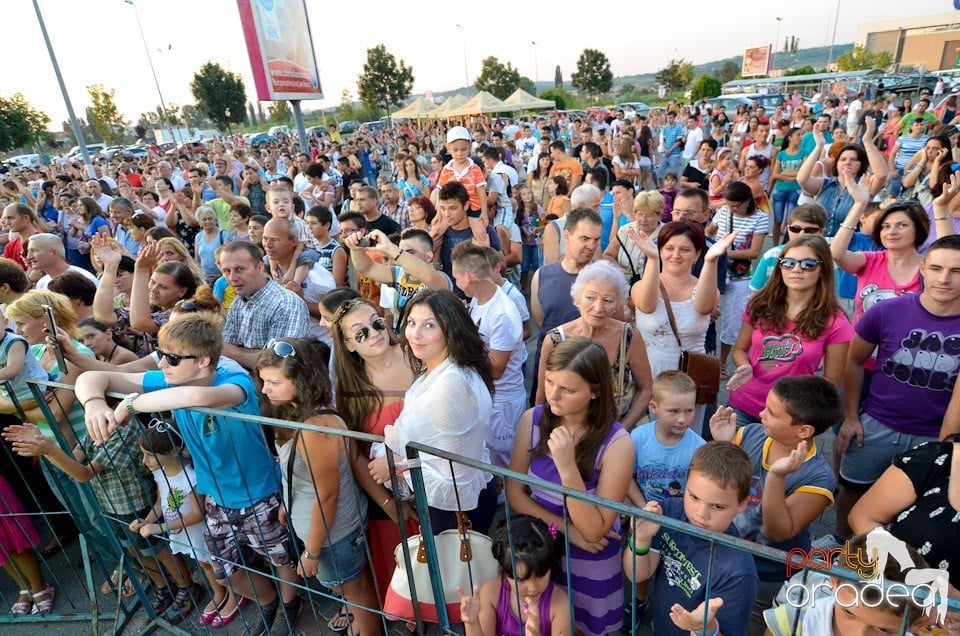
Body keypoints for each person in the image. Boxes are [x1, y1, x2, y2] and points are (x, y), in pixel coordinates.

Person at [75, 313, 302, 634]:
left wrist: (129, 404)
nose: (162, 363)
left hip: (259, 494)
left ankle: (289, 604)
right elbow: (93, 378)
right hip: (215, 496)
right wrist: (94, 403)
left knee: (279, 558)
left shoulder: (234, 381)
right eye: (161, 354)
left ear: (203, 360)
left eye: (171, 357)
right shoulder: (173, 378)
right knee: (224, 570)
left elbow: (196, 398)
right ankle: (268, 601)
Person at [826, 235, 960, 551]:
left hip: (934, 436)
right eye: (937, 268)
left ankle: (889, 559)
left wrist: (946, 447)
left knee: (912, 507)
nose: (944, 278)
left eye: (956, 271)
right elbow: (854, 360)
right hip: (877, 424)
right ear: (923, 269)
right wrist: (850, 417)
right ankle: (843, 542)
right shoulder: (887, 312)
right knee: (851, 491)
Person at [508, 337, 635, 636]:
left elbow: (595, 530)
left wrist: (568, 469)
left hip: (590, 557)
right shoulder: (533, 421)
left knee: (582, 625)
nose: (553, 395)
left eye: (568, 389)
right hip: (542, 545)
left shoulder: (618, 444)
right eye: (550, 381)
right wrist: (566, 530)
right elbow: (514, 492)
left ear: (596, 391)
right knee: (540, 622)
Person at [255, 338, 380, 635]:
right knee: (351, 589)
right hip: (323, 529)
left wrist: (310, 552)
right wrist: (289, 502)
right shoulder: (296, 410)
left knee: (357, 593)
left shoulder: (316, 429)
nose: (264, 389)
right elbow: (300, 473)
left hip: (333, 535)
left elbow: (327, 495)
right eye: (263, 381)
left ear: (301, 382)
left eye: (273, 382)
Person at [711, 375, 841, 630]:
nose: (761, 414)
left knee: (752, 624)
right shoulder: (749, 434)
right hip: (725, 553)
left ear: (803, 430)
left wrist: (776, 477)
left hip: (769, 572)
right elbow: (716, 488)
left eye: (771, 412)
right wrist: (722, 445)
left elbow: (777, 531)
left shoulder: (818, 478)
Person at [369, 289, 497, 536]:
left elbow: (449, 462)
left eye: (429, 325)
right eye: (412, 323)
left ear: (452, 329)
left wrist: (395, 463)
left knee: (457, 573)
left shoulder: (452, 383)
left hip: (457, 508)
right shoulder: (444, 367)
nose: (415, 334)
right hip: (455, 501)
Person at [329, 297, 418, 605]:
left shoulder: (415, 355)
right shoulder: (351, 385)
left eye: (376, 323)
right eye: (360, 332)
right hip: (387, 491)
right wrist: (388, 504)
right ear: (349, 345)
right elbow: (355, 455)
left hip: (432, 479)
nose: (374, 333)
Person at [624, 442, 758, 636]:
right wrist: (641, 540)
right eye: (694, 497)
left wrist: (706, 629)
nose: (701, 514)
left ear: (742, 504)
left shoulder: (739, 573)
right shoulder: (669, 512)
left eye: (718, 506)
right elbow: (637, 575)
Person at [726, 236, 851, 425]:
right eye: (788, 263)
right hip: (744, 406)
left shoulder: (836, 322)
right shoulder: (759, 305)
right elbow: (739, 350)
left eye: (808, 264)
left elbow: (832, 381)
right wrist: (745, 366)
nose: (797, 269)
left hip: (791, 418)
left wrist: (802, 400)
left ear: (823, 270)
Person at [132, 422, 240, 627]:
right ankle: (219, 593)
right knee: (203, 563)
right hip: (182, 530)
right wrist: (146, 521)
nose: (144, 460)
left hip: (199, 530)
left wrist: (160, 527)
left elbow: (198, 514)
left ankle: (236, 596)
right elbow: (160, 502)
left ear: (173, 451)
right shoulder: (159, 472)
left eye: (150, 455)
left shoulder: (190, 476)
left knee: (217, 564)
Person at [633, 221, 735, 434]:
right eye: (669, 248)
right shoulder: (640, 288)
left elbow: (706, 306)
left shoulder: (705, 289)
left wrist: (711, 260)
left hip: (689, 377)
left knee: (684, 437)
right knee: (645, 438)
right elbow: (647, 305)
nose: (676, 255)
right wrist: (652, 259)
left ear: (697, 254)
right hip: (647, 375)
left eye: (685, 249)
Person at [535, 260, 653, 429]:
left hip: (617, 429)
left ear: (618, 304)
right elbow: (542, 394)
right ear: (577, 299)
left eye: (608, 300)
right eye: (590, 297)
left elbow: (646, 389)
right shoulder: (555, 340)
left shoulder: (629, 336)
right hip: (567, 432)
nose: (598, 308)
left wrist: (620, 430)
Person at [761, 532, 937, 636]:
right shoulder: (792, 621)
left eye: (883, 630)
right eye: (848, 612)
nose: (858, 634)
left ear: (917, 623)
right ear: (834, 583)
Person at [451, 242, 527, 468]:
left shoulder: (502, 313)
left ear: (468, 276)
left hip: (503, 404)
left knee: (506, 462)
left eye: (456, 277)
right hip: (488, 397)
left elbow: (495, 369)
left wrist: (460, 344)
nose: (455, 282)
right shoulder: (479, 299)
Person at [530, 209, 603, 402]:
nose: (591, 246)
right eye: (585, 238)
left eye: (596, 240)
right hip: (548, 372)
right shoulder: (542, 276)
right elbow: (541, 321)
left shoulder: (603, 280)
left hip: (586, 376)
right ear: (567, 236)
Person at [457, 514, 573, 636]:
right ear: (505, 572)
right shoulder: (491, 593)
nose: (533, 588)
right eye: (521, 579)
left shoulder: (561, 604)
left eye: (541, 575)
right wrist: (472, 624)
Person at [831, 192, 927, 326]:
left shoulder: (930, 267)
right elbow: (836, 254)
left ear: (919, 229)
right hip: (860, 344)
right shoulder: (870, 260)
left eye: (902, 225)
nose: (892, 232)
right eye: (885, 226)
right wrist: (859, 205)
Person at [705, 182, 770, 377]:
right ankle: (705, 358)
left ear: (747, 201)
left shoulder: (761, 218)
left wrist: (723, 250)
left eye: (736, 206)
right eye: (729, 205)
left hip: (739, 276)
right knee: (706, 315)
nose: (731, 209)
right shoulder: (724, 211)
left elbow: (754, 252)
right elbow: (709, 231)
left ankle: (722, 362)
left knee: (732, 323)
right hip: (715, 271)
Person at [219, 240, 309, 369]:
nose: (233, 278)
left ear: (260, 267)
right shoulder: (238, 302)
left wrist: (235, 352)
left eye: (240, 269)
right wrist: (258, 353)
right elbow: (225, 348)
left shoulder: (286, 304)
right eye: (227, 271)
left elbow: (280, 363)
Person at [797, 117, 888, 236]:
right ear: (836, 163)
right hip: (819, 244)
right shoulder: (824, 183)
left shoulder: (864, 185)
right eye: (843, 159)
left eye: (854, 159)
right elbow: (802, 179)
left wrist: (867, 141)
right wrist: (819, 146)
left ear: (861, 165)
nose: (847, 162)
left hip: (849, 248)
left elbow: (881, 174)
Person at [345, 228, 451, 328]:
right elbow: (366, 268)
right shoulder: (398, 273)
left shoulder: (440, 279)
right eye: (401, 251)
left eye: (409, 253)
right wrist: (356, 249)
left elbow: (428, 277)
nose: (401, 257)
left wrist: (390, 248)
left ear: (428, 257)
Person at [603, 190, 665, 283]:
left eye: (649, 216)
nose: (643, 219)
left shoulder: (667, 234)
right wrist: (620, 270)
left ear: (659, 215)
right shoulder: (625, 230)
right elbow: (607, 255)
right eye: (640, 214)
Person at [770, 127, 807, 245]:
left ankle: (787, 245)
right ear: (790, 138)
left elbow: (804, 172)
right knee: (777, 220)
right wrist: (794, 176)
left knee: (791, 221)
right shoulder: (781, 154)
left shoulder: (804, 153)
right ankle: (775, 246)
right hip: (780, 190)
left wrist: (785, 174)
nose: (800, 138)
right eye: (798, 135)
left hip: (795, 190)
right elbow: (775, 174)